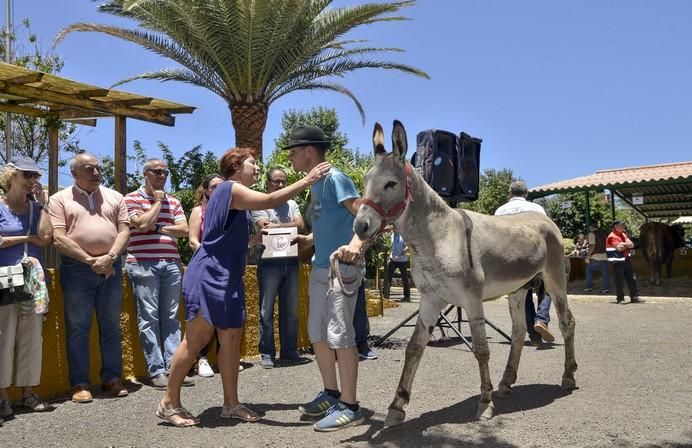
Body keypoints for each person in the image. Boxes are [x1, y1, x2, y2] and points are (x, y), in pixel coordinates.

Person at [157, 147, 329, 427]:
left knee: (232, 339)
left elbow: (224, 239)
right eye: (252, 163)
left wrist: (255, 241)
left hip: (228, 276)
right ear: (236, 166)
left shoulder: (233, 198)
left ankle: (230, 404)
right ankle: (168, 402)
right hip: (209, 274)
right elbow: (271, 199)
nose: (257, 169)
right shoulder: (229, 188)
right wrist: (308, 180)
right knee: (196, 340)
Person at [287, 125, 368, 431]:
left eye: (294, 152)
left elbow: (363, 215)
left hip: (341, 268)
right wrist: (309, 239)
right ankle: (331, 394)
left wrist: (355, 246)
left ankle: (350, 405)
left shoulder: (335, 179)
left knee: (340, 335)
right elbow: (332, 222)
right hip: (321, 266)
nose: (292, 158)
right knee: (317, 333)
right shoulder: (315, 184)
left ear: (309, 151)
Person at [49, 152, 130, 403]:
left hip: (111, 269)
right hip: (76, 270)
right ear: (74, 173)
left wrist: (111, 257)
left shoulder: (115, 197)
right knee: (77, 328)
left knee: (111, 327)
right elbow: (58, 237)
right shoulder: (59, 199)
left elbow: (124, 231)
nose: (96, 173)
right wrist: (90, 260)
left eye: (98, 168)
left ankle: (112, 378)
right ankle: (80, 383)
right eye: (89, 169)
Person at [125, 159, 194, 390]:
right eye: (157, 172)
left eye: (165, 172)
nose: (162, 176)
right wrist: (157, 203)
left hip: (171, 262)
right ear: (145, 174)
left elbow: (184, 230)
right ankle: (156, 370)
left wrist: (156, 227)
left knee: (171, 317)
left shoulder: (173, 200)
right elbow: (141, 224)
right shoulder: (132, 198)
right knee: (149, 317)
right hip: (143, 263)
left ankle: (175, 368)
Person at [0, 157, 52, 418]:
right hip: (4, 280)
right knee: (4, 337)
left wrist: (43, 207)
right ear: (12, 175)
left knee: (32, 338)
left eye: (36, 176)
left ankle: (28, 392)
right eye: (27, 175)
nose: (33, 181)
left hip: (31, 280)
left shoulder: (35, 209)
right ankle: (2, 397)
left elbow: (45, 238)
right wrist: (25, 238)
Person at [251, 167, 309, 369]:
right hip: (269, 263)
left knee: (290, 310)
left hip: (291, 260)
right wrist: (288, 225)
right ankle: (267, 352)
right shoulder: (259, 203)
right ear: (268, 182)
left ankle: (289, 351)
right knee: (266, 310)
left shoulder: (292, 203)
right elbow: (262, 226)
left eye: (284, 181)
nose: (281, 185)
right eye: (277, 181)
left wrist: (275, 226)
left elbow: (300, 224)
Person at [494, 180, 555, 345]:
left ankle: (534, 337)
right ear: (526, 194)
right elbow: (547, 234)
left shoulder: (500, 211)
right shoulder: (537, 209)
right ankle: (541, 319)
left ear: (509, 193)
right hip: (536, 258)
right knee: (549, 287)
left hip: (512, 261)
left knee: (523, 297)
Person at [188, 173, 224, 377]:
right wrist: (210, 259)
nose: (218, 190)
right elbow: (193, 240)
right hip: (204, 270)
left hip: (225, 271)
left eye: (222, 186)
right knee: (203, 315)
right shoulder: (198, 211)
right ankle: (201, 359)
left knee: (223, 314)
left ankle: (223, 357)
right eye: (214, 186)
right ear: (206, 190)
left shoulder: (231, 211)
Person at [606, 220, 641, 304]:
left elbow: (632, 245)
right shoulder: (612, 236)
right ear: (615, 226)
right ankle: (620, 298)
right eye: (621, 225)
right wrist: (626, 244)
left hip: (626, 260)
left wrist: (623, 244)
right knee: (619, 280)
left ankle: (634, 297)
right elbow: (619, 248)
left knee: (632, 279)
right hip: (618, 261)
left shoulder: (623, 234)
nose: (623, 227)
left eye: (623, 225)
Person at [383, 231, 411, 302]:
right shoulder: (392, 235)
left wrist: (401, 253)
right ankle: (385, 295)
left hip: (402, 260)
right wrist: (389, 256)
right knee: (388, 277)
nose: (393, 229)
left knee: (404, 278)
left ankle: (407, 296)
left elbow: (408, 246)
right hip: (393, 259)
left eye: (394, 227)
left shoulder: (403, 236)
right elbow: (391, 246)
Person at [584, 222, 610, 293]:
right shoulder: (603, 234)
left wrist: (588, 256)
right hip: (604, 256)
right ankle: (606, 288)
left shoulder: (591, 234)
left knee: (588, 271)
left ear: (591, 227)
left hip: (595, 256)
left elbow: (592, 245)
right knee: (605, 273)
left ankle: (589, 287)